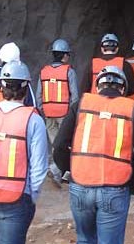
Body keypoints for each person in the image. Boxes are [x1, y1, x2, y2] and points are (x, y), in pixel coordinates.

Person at [54, 66, 134, 244]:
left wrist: (71, 171)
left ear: (98, 86)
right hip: (115, 186)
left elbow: (60, 145)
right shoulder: (133, 109)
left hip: (80, 185)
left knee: (84, 239)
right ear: (123, 88)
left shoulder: (81, 105)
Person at [0, 61, 48, 244]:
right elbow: (39, 166)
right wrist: (32, 195)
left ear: (1, 87)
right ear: (26, 87)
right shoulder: (33, 120)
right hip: (18, 198)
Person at [36, 38, 79, 186]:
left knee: (55, 144)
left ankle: (59, 171)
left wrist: (43, 110)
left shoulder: (44, 72)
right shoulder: (69, 71)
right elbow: (75, 96)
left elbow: (38, 96)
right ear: (64, 55)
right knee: (67, 144)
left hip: (49, 113)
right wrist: (73, 115)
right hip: (65, 114)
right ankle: (59, 170)